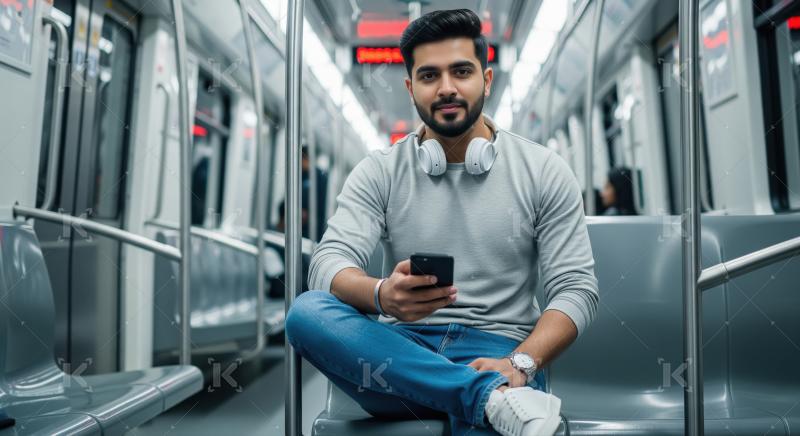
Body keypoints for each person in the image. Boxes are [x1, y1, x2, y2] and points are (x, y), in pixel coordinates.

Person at [285, 9, 599, 436]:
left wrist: (520, 363)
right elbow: (327, 264)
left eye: (462, 71)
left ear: (486, 80)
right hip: (397, 356)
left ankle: (484, 393)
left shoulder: (544, 170)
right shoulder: (379, 171)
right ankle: (485, 396)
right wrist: (381, 296)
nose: (447, 88)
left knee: (490, 412)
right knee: (307, 313)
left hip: (502, 350)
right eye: (430, 76)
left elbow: (576, 289)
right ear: (412, 88)